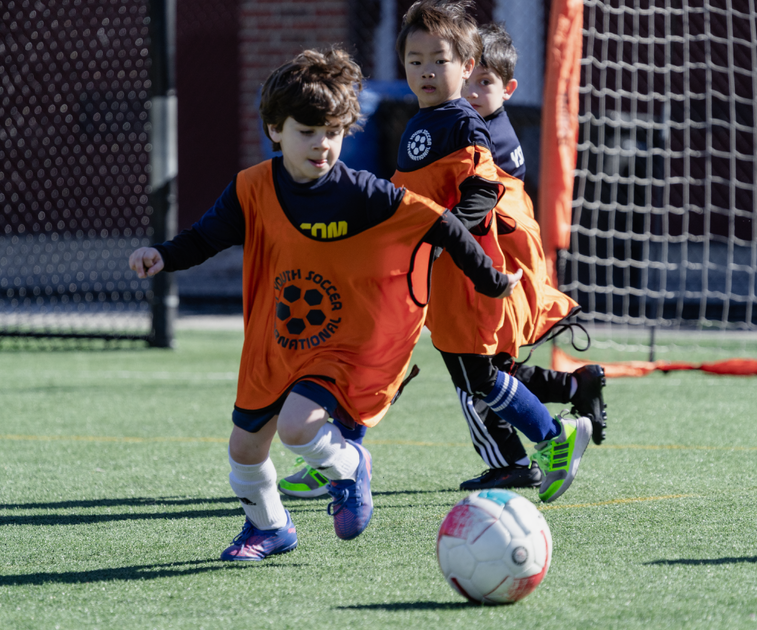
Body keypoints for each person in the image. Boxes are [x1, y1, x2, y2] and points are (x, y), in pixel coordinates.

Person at [129, 48, 521, 560]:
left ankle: (349, 466)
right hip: (274, 340)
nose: (322, 145)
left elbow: (441, 222)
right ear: (275, 129)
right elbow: (207, 237)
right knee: (244, 453)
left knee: (297, 426)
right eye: (307, 132)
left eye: (333, 132)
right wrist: (162, 255)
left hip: (339, 343)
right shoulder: (251, 188)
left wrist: (490, 280)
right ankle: (270, 529)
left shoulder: (362, 193)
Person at [390, 0, 592, 504]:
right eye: (415, 61)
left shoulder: (462, 122)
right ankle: (530, 451)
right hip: (439, 272)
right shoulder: (424, 120)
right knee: (469, 373)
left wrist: (447, 238)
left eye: (439, 60)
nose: (426, 71)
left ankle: (552, 437)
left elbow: (482, 193)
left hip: (466, 271)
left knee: (477, 374)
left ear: (466, 65)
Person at [452, 21, 609, 492]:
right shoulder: (484, 127)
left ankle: (513, 459)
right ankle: (574, 388)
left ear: (509, 88)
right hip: (504, 269)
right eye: (470, 81)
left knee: (475, 378)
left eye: (487, 83)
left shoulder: (482, 137)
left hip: (498, 273)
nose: (475, 92)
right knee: (495, 371)